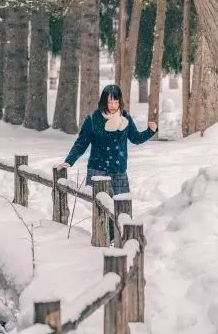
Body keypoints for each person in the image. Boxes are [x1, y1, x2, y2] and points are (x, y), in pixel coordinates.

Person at [56, 85, 157, 242]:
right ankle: (106, 240)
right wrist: (69, 161)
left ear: (119, 102)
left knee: (123, 207)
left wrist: (151, 131)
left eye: (115, 102)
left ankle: (123, 240)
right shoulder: (93, 119)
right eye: (109, 102)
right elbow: (81, 143)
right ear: (104, 101)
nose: (112, 106)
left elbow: (135, 138)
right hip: (98, 172)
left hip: (119, 170)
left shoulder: (125, 118)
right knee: (104, 207)